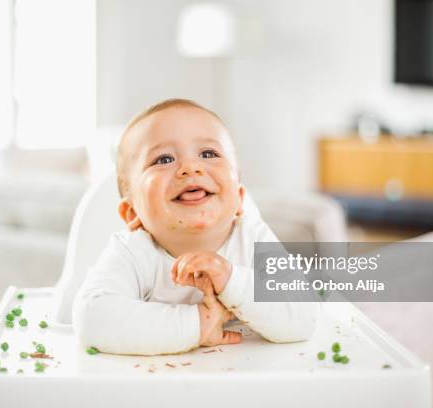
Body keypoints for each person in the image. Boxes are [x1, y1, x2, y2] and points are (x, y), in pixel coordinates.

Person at [72, 98, 318, 355]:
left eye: (208, 154)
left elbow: (304, 315)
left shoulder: (251, 236)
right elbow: (92, 318)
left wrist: (231, 279)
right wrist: (198, 324)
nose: (190, 167)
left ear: (239, 199)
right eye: (164, 159)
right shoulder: (133, 252)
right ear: (132, 213)